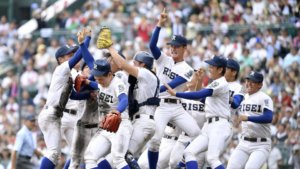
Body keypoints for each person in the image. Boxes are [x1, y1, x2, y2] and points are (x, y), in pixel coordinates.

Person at [147, 8, 201, 169]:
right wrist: (160, 23)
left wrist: (154, 91)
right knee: (155, 140)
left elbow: (172, 85)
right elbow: (152, 45)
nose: (173, 48)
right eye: (171, 45)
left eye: (177, 46)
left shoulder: (188, 68)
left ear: (185, 48)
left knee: (197, 134)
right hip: (162, 105)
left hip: (176, 106)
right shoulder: (164, 59)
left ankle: (184, 161)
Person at [38, 28, 96, 169]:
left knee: (77, 154)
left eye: (73, 54)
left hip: (62, 115)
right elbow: (78, 57)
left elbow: (74, 95)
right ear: (61, 60)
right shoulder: (61, 69)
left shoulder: (72, 74)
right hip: (52, 114)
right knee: (53, 153)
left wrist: (89, 95)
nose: (73, 56)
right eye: (68, 55)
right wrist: (86, 40)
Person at [164, 55, 231, 169]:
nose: (209, 69)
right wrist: (199, 81)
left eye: (212, 66)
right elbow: (199, 98)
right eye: (209, 66)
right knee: (189, 152)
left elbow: (199, 95)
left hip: (219, 124)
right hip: (209, 125)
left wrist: (177, 94)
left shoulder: (220, 83)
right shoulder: (215, 83)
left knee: (212, 159)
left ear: (220, 69)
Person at [80, 40, 132, 169]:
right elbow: (95, 82)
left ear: (109, 74)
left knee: (118, 159)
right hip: (105, 126)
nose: (99, 82)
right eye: (97, 79)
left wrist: (116, 112)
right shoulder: (102, 82)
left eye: (101, 79)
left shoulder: (117, 82)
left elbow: (124, 100)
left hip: (120, 124)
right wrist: (86, 82)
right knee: (90, 158)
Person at [105, 45, 160, 168]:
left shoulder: (146, 74)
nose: (132, 65)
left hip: (144, 121)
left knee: (124, 157)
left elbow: (123, 65)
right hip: (140, 121)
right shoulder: (140, 80)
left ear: (143, 65)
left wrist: (110, 48)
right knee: (123, 159)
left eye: (135, 63)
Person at [227, 71, 273, 169]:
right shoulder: (243, 98)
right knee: (231, 166)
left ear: (260, 84)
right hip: (243, 143)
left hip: (261, 144)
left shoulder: (264, 98)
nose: (249, 83)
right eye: (248, 80)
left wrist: (248, 118)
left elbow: (269, 117)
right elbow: (233, 103)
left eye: (253, 81)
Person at [169, 69, 207, 169]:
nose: (189, 79)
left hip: (199, 138)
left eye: (193, 76)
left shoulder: (205, 96)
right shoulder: (182, 96)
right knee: (173, 163)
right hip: (183, 138)